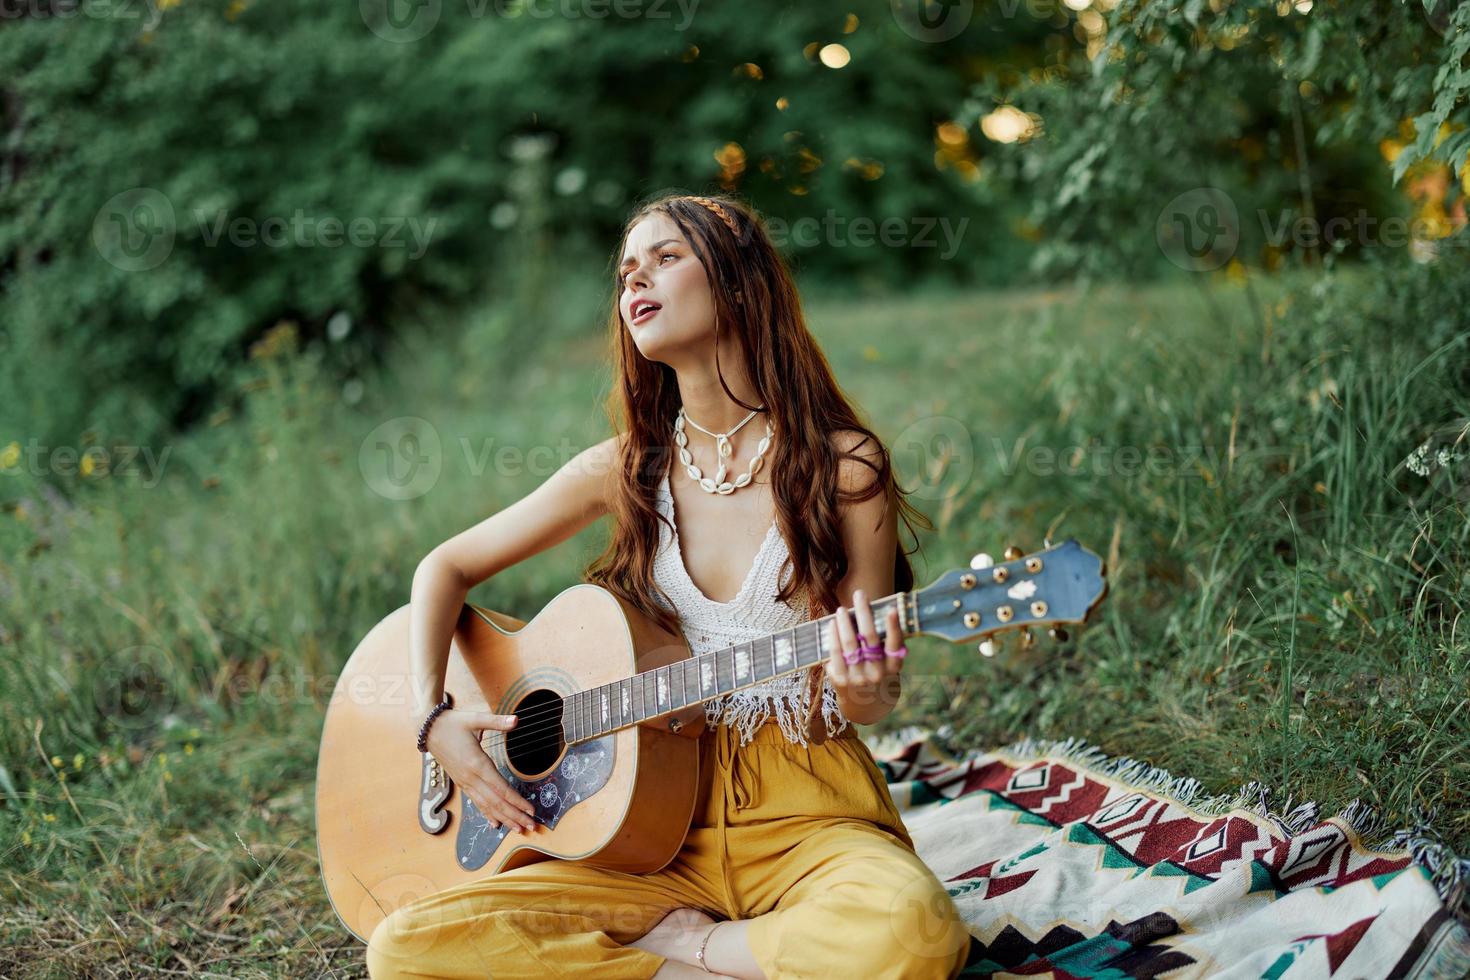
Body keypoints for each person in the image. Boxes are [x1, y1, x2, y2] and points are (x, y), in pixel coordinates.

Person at [366, 193, 973, 979]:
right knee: (406, 950)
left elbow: (861, 700)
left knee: (912, 934)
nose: (635, 283)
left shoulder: (842, 465)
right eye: (625, 272)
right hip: (643, 833)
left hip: (802, 809)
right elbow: (441, 570)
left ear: (741, 282)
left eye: (664, 257)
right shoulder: (624, 469)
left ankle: (691, 954)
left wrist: (868, 684)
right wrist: (433, 719)